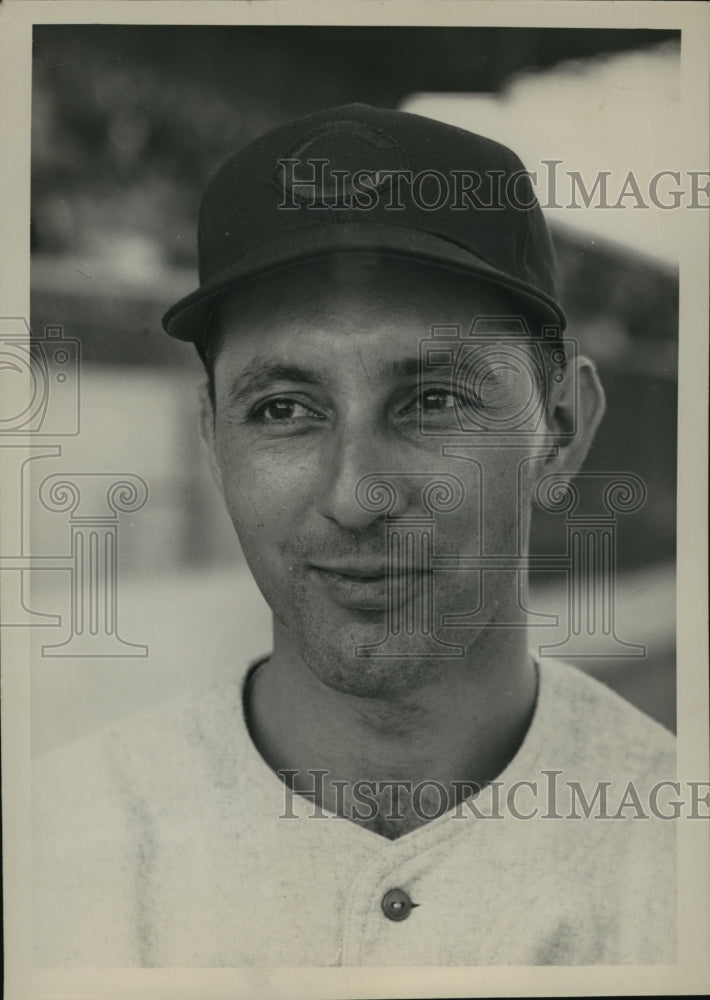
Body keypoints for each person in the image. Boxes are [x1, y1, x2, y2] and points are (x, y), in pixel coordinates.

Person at [34, 104, 676, 967]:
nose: (356, 493)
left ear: (559, 430)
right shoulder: (51, 852)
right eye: (284, 409)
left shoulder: (675, 850)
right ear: (212, 440)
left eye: (435, 401)